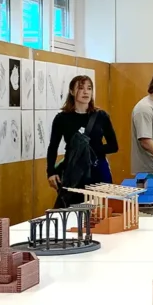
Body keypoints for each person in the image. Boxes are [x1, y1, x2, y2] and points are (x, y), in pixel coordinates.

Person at [46, 75, 118, 206]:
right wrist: (50, 172)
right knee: (71, 208)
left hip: (97, 169)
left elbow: (114, 146)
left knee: (100, 209)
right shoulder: (62, 118)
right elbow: (53, 147)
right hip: (74, 170)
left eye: (89, 88)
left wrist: (90, 150)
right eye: (81, 88)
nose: (86, 92)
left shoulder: (101, 116)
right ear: (72, 91)